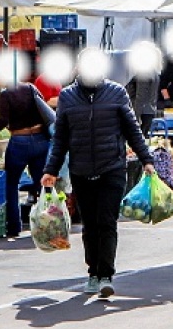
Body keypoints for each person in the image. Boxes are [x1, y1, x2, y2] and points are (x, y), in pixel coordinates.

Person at [41, 73, 155, 299]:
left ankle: (106, 276)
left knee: (106, 221)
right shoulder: (68, 96)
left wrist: (147, 160)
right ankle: (93, 272)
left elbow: (132, 129)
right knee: (89, 224)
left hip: (111, 168)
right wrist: (50, 170)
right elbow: (61, 138)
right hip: (81, 170)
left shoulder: (116, 93)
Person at [0, 81, 53, 238]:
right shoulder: (30, 88)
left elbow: (3, 121)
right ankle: (49, 224)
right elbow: (44, 108)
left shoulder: (6, 93)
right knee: (42, 183)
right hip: (40, 140)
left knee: (11, 184)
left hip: (19, 142)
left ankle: (14, 227)